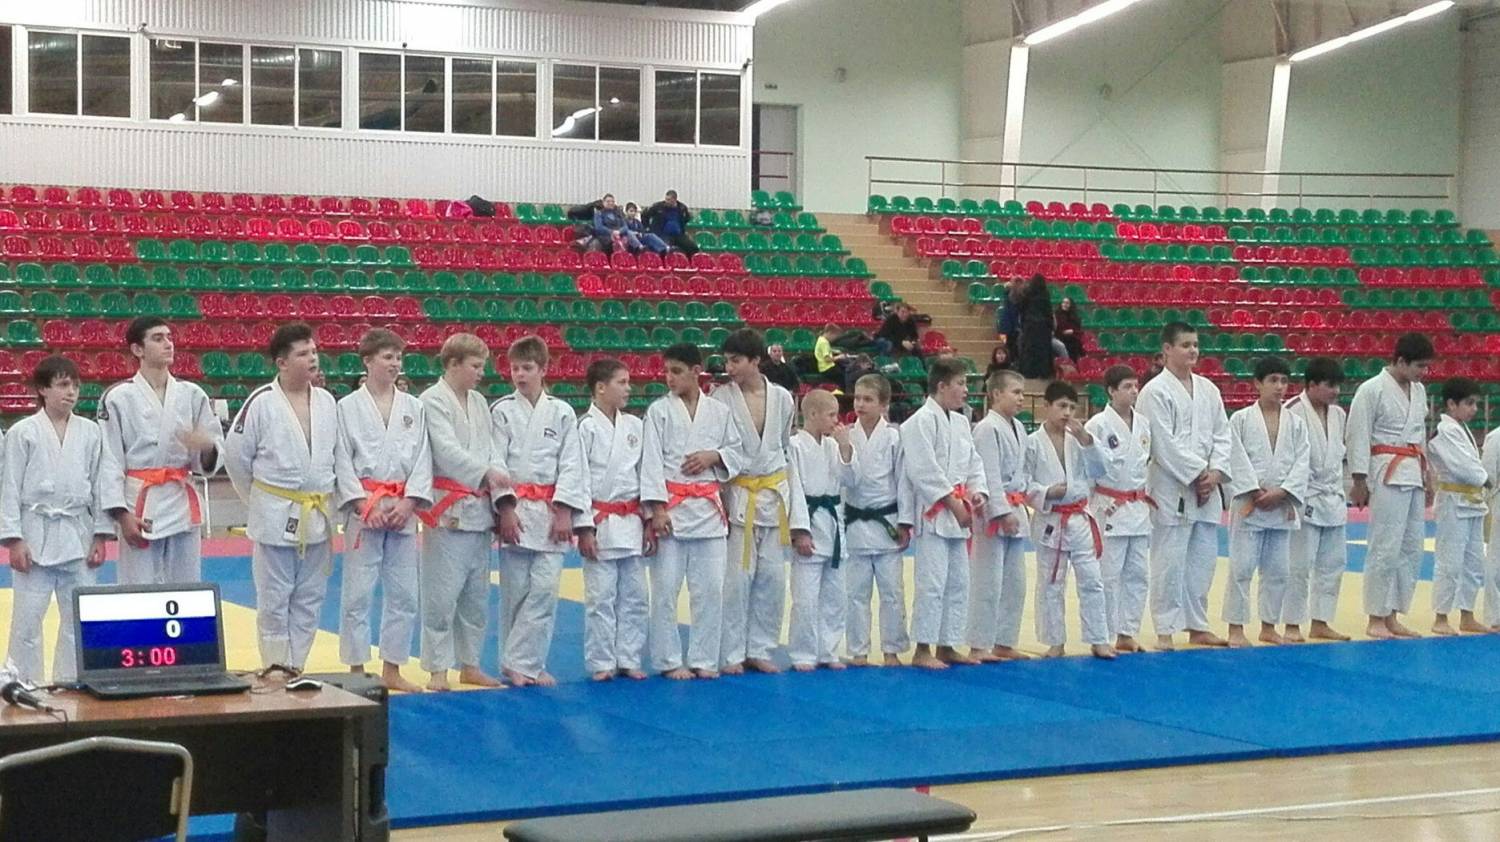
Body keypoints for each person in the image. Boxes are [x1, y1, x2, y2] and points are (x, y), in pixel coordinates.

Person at [224, 322, 338, 671]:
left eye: (314, 351)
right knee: (274, 600)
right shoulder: (261, 402)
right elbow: (236, 458)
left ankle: (296, 666)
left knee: (310, 599)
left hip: (317, 513)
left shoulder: (327, 401)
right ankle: (276, 668)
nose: (313, 358)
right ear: (282, 363)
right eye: (303, 353)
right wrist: (260, 500)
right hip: (275, 511)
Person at [333, 328, 433, 693]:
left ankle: (392, 668)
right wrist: (362, 504)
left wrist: (410, 503)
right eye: (387, 357)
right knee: (357, 593)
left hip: (402, 507)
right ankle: (357, 669)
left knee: (405, 594)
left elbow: (423, 458)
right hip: (365, 506)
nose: (394, 364)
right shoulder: (347, 407)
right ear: (368, 361)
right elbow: (341, 459)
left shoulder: (414, 407)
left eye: (398, 358)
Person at [2, 356, 111, 684]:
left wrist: (101, 534)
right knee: (27, 621)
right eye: (63, 385)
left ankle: (71, 682)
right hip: (34, 535)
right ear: (42, 389)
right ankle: (23, 683)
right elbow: (9, 487)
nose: (71, 392)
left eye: (75, 385)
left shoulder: (91, 432)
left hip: (78, 534)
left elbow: (100, 485)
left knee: (79, 618)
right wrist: (13, 539)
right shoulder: (22, 432)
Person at [491, 335, 589, 688]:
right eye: (515, 368)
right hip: (517, 510)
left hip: (550, 513)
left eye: (527, 368)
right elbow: (495, 461)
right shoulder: (502, 411)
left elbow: (572, 465)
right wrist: (505, 508)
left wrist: (565, 512)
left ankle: (525, 662)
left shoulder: (562, 412)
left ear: (544, 369)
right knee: (515, 592)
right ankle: (519, 664)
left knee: (545, 591)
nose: (520, 374)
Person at [711, 329, 811, 674]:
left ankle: (760, 648)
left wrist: (797, 515)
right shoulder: (720, 398)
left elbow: (784, 448)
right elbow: (719, 449)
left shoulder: (782, 398)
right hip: (738, 493)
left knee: (772, 579)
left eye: (736, 361)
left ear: (756, 360)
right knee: (737, 580)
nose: (729, 368)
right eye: (727, 361)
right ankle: (731, 652)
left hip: (773, 494)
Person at [642, 343, 743, 679]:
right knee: (665, 591)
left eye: (676, 371)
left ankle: (704, 658)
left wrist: (715, 456)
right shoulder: (658, 411)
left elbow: (737, 452)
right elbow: (650, 463)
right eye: (666, 371)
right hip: (671, 509)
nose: (669, 378)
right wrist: (657, 510)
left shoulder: (719, 412)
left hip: (709, 513)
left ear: (696, 371)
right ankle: (668, 660)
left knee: (711, 591)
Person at [98, 316, 222, 586]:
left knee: (186, 586)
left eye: (169, 337)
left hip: (180, 499)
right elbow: (109, 460)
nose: (168, 344)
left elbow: (210, 452)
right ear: (137, 349)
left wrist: (207, 448)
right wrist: (121, 515)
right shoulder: (118, 397)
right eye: (158, 338)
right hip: (139, 503)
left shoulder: (192, 394)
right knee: (139, 588)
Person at [418, 333, 509, 691]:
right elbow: (445, 450)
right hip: (448, 510)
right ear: (453, 364)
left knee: (476, 596)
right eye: (475, 365)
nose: (481, 372)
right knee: (441, 595)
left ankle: (470, 664)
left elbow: (492, 449)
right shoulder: (431, 401)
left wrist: (499, 479)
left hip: (479, 510)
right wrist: (485, 472)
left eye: (482, 365)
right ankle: (437, 669)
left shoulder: (479, 402)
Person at [1138, 322, 1233, 651]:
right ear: (1167, 349)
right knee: (1169, 560)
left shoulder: (1209, 389)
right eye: (1185, 345)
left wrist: (1215, 473)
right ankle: (1164, 629)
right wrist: (1197, 474)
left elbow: (1223, 435)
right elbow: (1162, 444)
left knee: (1203, 561)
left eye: (1195, 344)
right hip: (1171, 486)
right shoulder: (1154, 392)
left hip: (1207, 487)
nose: (1193, 350)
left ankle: (1198, 625)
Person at [900, 357, 988, 669]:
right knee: (932, 583)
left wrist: (977, 493)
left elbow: (974, 464)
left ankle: (947, 644)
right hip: (934, 513)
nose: (966, 390)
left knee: (959, 583)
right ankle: (922, 649)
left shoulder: (961, 422)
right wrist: (952, 503)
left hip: (960, 512)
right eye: (960, 384)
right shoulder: (918, 422)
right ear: (941, 386)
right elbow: (922, 470)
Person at [1346, 332, 1434, 640]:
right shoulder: (1371, 389)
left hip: (1414, 470)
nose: (1423, 372)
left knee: (1411, 547)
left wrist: (1428, 474)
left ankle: (1393, 614)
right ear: (1400, 361)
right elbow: (1357, 433)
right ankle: (1376, 616)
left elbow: (1420, 435)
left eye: (1426, 367)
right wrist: (1359, 480)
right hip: (1385, 472)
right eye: (1419, 366)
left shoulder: (1419, 391)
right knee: (1384, 546)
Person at [1224, 357, 1309, 648]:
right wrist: (1253, 489)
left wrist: (1284, 491)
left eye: (1284, 381)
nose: (1279, 386)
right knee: (1241, 568)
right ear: (1257, 384)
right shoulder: (1240, 419)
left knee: (1279, 570)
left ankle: (1269, 626)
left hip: (1281, 505)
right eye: (1273, 380)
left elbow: (1302, 461)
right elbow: (1235, 456)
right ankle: (1236, 628)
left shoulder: (1296, 423)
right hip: (1251, 504)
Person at [1026, 380, 1113, 659]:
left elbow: (1102, 469)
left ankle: (1099, 639)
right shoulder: (1032, 443)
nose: (1067, 412)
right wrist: (1047, 492)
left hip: (1080, 519)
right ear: (1046, 406)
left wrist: (1087, 441)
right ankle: (1055, 642)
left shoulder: (1080, 439)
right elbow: (1022, 484)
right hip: (1051, 519)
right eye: (1061, 406)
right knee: (1051, 583)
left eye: (1072, 407)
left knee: (1093, 580)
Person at [576, 358, 651, 682]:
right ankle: (602, 661)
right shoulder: (585, 427)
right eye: (622, 382)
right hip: (600, 520)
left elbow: (646, 475)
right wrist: (584, 527)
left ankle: (629, 657)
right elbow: (578, 480)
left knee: (636, 597)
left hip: (631, 520)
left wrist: (648, 519)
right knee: (600, 599)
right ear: (600, 388)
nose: (628, 388)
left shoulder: (635, 426)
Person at [843, 374, 911, 667]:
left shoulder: (895, 437)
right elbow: (843, 481)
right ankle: (858, 651)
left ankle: (891, 650)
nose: (860, 404)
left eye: (868, 399)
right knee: (855, 593)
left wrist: (906, 521)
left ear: (884, 405)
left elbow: (904, 482)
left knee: (892, 591)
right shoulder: (846, 436)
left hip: (887, 522)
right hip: (855, 522)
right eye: (857, 398)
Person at [1282, 357, 1351, 643]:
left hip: (1332, 496)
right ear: (1311, 385)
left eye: (1338, 386)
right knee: (1299, 564)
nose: (1336, 391)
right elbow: (1286, 459)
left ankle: (1321, 621)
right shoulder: (1291, 412)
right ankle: (1292, 623)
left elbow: (1338, 457)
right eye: (1329, 385)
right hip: (1304, 496)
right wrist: (1287, 496)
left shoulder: (1339, 415)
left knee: (1333, 563)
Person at [1085, 365, 1152, 653]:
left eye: (1136, 386)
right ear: (1111, 391)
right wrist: (1087, 507)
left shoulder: (1144, 424)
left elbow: (1145, 466)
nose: (1134, 391)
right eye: (1127, 386)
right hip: (1109, 506)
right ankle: (1104, 634)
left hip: (1138, 507)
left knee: (1138, 574)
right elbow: (1087, 469)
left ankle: (1128, 632)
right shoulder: (1097, 425)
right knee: (1108, 575)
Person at [968, 369, 1032, 662]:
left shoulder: (1018, 427)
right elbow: (988, 474)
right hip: (993, 512)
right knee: (987, 580)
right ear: (996, 394)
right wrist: (1001, 511)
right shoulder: (986, 428)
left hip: (1015, 506)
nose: (1021, 398)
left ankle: (1004, 641)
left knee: (1015, 583)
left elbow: (1023, 472)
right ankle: (979, 644)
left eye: (1022, 393)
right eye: (1015, 392)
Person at [787, 389, 853, 671]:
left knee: (835, 598)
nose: (836, 420)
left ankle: (829, 651)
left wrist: (845, 448)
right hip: (810, 524)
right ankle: (803, 653)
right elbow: (793, 489)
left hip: (834, 524)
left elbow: (850, 479)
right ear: (812, 414)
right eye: (831, 415)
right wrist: (800, 531)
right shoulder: (794, 446)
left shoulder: (832, 446)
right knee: (805, 599)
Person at [1427, 377, 1489, 636]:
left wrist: (1481, 477)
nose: (1474, 409)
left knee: (1474, 562)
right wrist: (1485, 478)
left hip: (1473, 502)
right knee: (1449, 562)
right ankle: (1441, 617)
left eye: (1476, 403)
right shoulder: (1445, 431)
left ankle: (1467, 614)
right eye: (1469, 403)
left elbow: (1472, 465)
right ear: (1452, 404)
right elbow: (1464, 468)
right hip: (1453, 502)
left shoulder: (1461, 429)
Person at [1016, 274, 1056, 379]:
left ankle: (1028, 372)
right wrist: (1051, 326)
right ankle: (1043, 373)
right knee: (1043, 350)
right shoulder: (1045, 294)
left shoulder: (1027, 293)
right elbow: (1048, 311)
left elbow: (1021, 309)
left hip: (1029, 325)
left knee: (1029, 349)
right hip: (1043, 326)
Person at [643, 189, 698, 255]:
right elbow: (645, 215)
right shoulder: (657, 207)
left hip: (678, 235)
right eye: (666, 199)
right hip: (662, 234)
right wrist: (647, 227)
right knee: (665, 249)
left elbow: (686, 218)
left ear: (674, 199)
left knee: (692, 247)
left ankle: (688, 260)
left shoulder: (682, 208)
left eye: (669, 200)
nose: (666, 201)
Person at [1054, 296, 1086, 363]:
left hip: (1072, 339)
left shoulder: (1075, 317)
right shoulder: (1056, 315)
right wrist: (1064, 332)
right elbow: (1055, 328)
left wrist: (1072, 331)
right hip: (1060, 338)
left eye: (1067, 303)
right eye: (1063, 302)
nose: (1064, 304)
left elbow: (1078, 330)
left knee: (1075, 344)